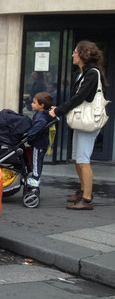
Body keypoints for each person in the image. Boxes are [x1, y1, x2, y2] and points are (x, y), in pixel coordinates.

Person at [49, 40, 108, 210]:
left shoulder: (92, 73)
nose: (73, 55)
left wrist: (59, 110)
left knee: (83, 160)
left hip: (88, 122)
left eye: (75, 52)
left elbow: (80, 97)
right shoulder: (82, 73)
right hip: (81, 122)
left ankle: (87, 200)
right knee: (77, 158)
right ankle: (83, 191)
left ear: (83, 54)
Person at [25, 92, 55, 200]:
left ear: (41, 105)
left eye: (34, 103)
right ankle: (34, 180)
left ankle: (35, 181)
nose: (32, 104)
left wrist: (29, 134)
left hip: (39, 144)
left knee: (36, 163)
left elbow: (38, 126)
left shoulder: (41, 117)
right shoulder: (42, 114)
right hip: (39, 143)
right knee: (36, 162)